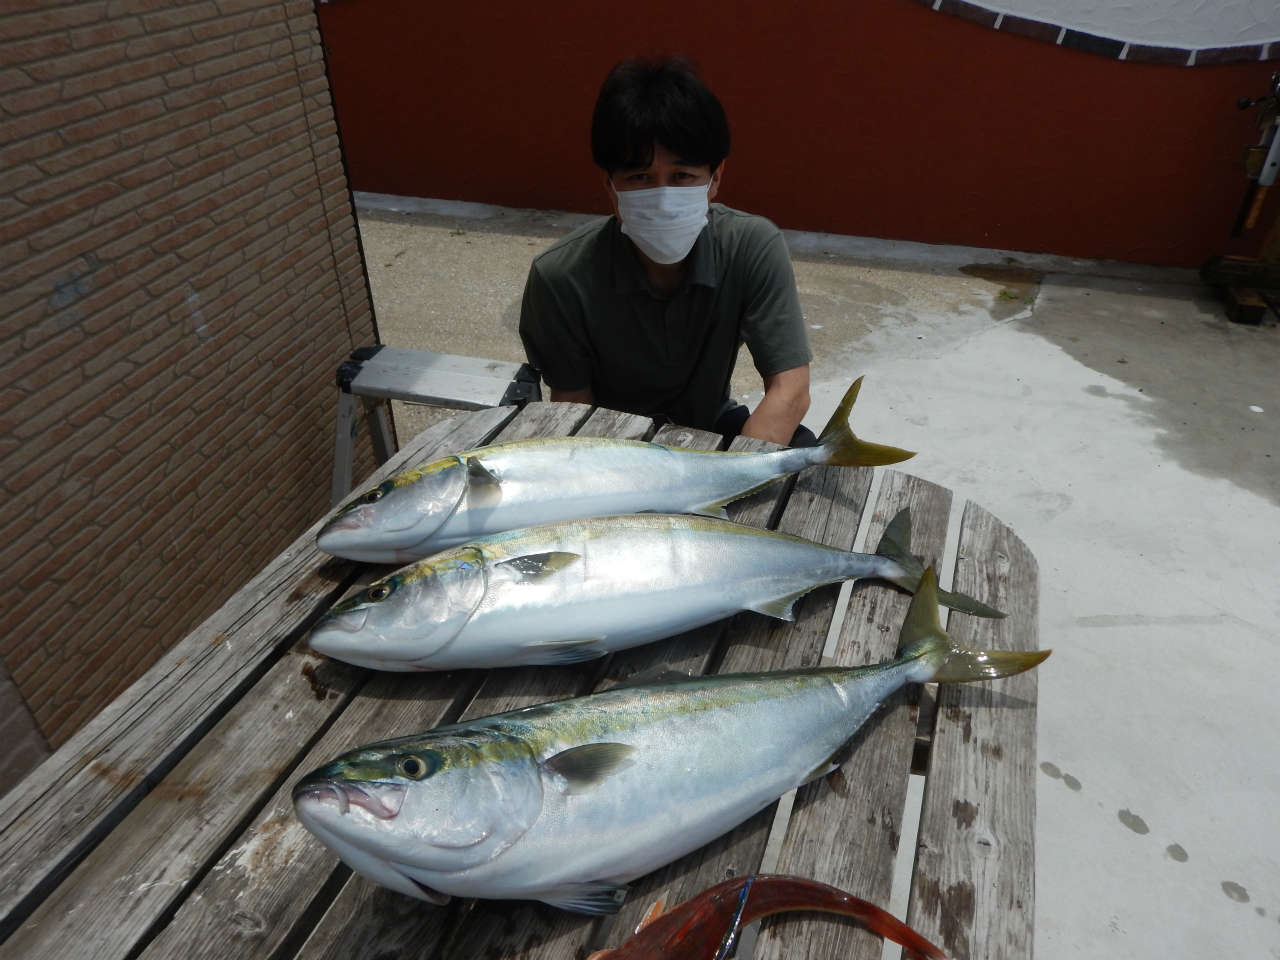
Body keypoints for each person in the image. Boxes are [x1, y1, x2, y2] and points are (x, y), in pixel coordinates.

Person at [518, 56, 816, 446]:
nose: (662, 198)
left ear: (715, 179)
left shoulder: (751, 247)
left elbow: (790, 391)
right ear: (610, 187)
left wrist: (726, 478)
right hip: (612, 441)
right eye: (640, 177)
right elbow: (572, 407)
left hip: (709, 429)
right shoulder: (559, 278)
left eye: (682, 176)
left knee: (804, 448)